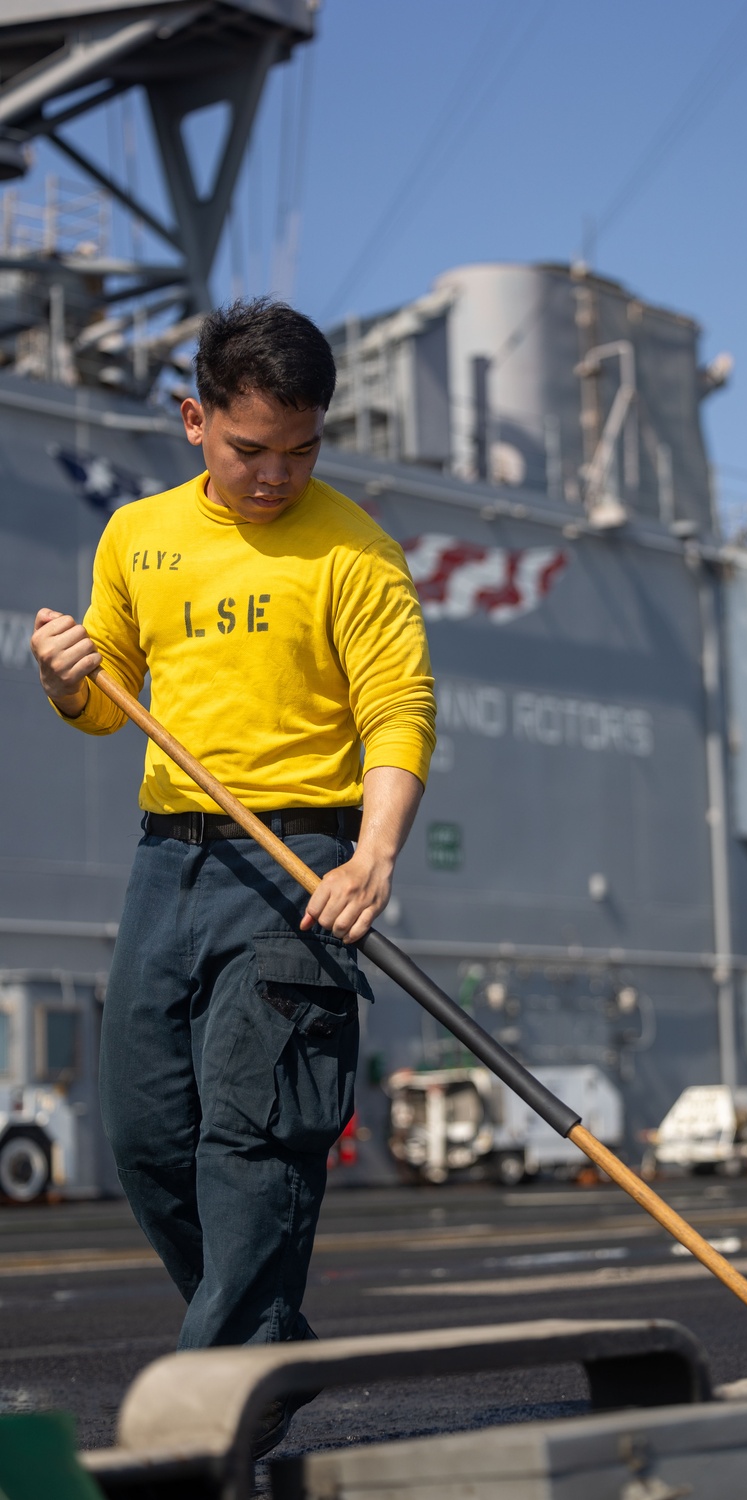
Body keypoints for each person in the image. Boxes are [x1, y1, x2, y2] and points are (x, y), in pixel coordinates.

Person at [30, 298, 436, 1452]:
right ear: (193, 419)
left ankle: (196, 1426)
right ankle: (268, 1341)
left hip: (301, 853)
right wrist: (66, 675)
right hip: (168, 859)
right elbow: (100, 705)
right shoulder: (136, 537)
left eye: (301, 451)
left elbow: (399, 710)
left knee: (251, 1138)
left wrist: (375, 851)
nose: (275, 476)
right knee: (149, 1135)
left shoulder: (355, 548)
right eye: (252, 449)